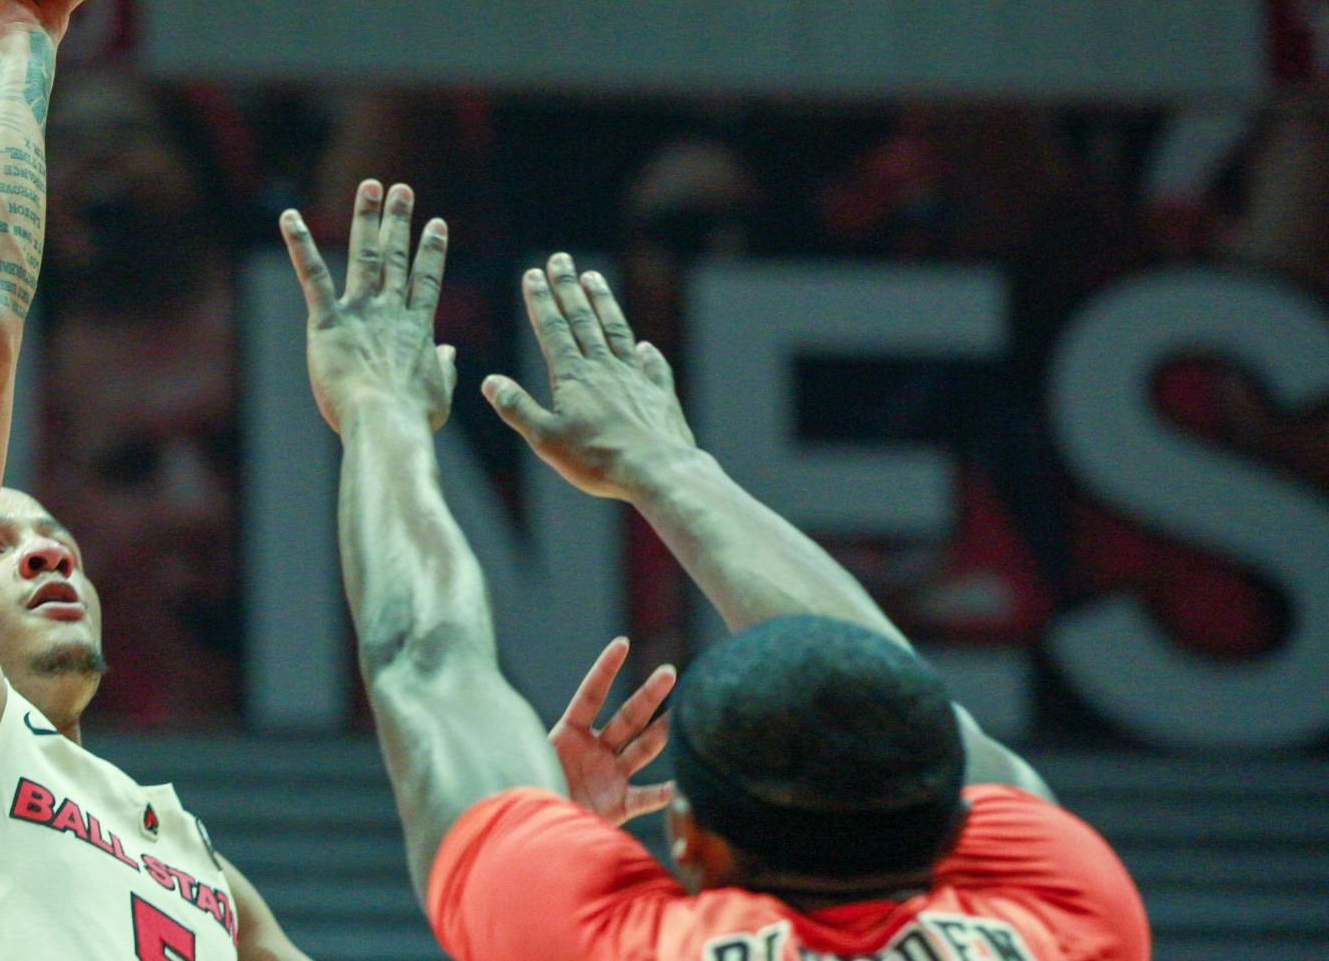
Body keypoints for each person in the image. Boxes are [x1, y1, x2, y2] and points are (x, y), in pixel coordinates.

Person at [0, 0, 634, 960]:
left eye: (50, 533)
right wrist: (21, 45)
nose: (46, 546)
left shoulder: (190, 862)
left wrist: (548, 854)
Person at [278, 180, 1150, 960]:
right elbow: (893, 696)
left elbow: (426, 662)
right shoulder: (1074, 913)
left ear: (689, 838)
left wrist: (379, 409)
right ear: (961, 825)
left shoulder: (607, 942)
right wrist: (674, 469)